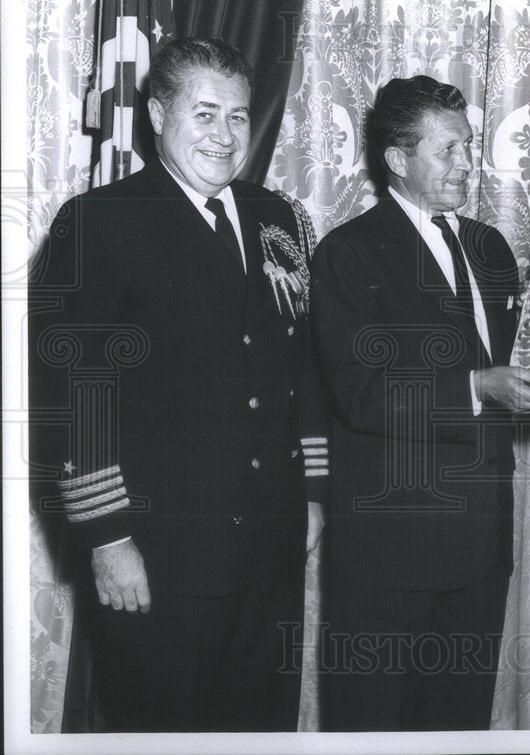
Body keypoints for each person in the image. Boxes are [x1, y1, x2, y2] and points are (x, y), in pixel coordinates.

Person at [28, 37, 325, 731]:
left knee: (262, 730)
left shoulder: (282, 220)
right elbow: (72, 393)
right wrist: (107, 537)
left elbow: (304, 366)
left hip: (271, 546)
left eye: (240, 116)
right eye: (206, 113)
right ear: (159, 114)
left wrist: (311, 494)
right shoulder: (99, 222)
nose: (225, 136)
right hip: (159, 555)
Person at [309, 75, 530, 731]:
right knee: (372, 727)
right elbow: (362, 397)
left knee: (458, 727)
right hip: (389, 549)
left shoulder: (489, 247)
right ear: (399, 160)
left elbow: (518, 366)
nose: (466, 163)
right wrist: (479, 388)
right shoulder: (349, 254)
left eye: (469, 147)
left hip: (478, 546)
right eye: (447, 150)